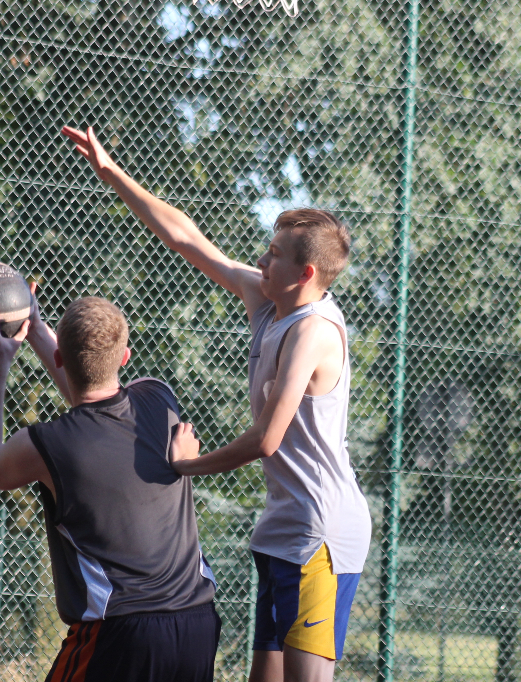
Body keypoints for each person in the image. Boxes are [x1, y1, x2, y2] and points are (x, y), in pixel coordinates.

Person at [62, 125, 371, 682]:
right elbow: (187, 239)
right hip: (284, 521)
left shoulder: (314, 332)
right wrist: (112, 173)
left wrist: (185, 466)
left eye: (273, 254)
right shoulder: (268, 299)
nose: (261, 260)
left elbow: (267, 439)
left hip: (321, 529)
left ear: (305, 274)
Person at [0, 295, 219, 682]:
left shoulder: (48, 444)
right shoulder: (159, 400)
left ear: (60, 359)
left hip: (121, 631)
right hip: (196, 622)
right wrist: (40, 333)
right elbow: (98, 398)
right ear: (124, 357)